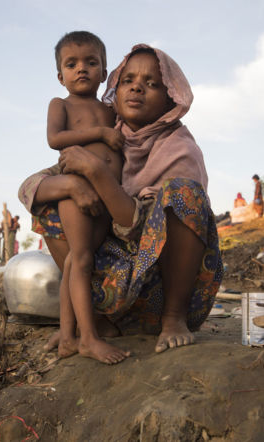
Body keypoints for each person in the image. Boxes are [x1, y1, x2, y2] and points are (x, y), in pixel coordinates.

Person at [19, 43, 223, 362]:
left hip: (161, 289)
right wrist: (74, 183)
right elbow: (30, 187)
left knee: (185, 194)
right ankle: (90, 323)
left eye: (152, 83)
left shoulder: (179, 149)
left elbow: (136, 229)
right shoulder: (106, 138)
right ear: (115, 86)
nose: (137, 87)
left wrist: (98, 174)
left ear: (171, 98)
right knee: (52, 201)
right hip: (114, 298)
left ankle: (173, 319)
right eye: (128, 80)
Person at [36, 31, 126, 364]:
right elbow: (55, 138)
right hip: (77, 189)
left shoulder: (110, 107)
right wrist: (101, 133)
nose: (81, 69)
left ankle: (68, 336)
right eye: (71, 64)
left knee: (76, 259)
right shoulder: (61, 104)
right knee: (83, 259)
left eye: (91, 62)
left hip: (107, 195)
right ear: (60, 76)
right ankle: (88, 338)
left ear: (105, 72)